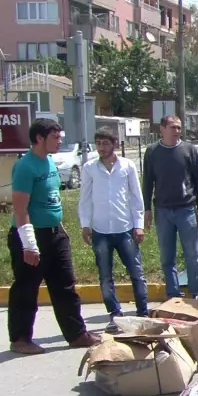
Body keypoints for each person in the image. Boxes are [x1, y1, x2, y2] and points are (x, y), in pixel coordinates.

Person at [7, 118, 100, 354]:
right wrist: (29, 244)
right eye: (55, 137)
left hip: (55, 234)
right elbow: (20, 208)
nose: (60, 142)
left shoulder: (49, 161)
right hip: (31, 236)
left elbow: (52, 199)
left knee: (65, 286)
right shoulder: (25, 166)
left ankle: (76, 333)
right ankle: (20, 339)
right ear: (39, 138)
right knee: (27, 289)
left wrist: (59, 226)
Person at [80, 126, 150, 333]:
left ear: (115, 145)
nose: (101, 148)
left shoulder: (127, 166)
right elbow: (84, 199)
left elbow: (137, 197)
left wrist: (138, 226)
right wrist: (85, 224)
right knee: (105, 275)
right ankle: (115, 315)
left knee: (136, 273)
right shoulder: (89, 168)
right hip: (101, 231)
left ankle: (143, 313)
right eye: (98, 144)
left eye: (105, 143)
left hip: (125, 228)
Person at [142, 114, 198, 299]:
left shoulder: (189, 149)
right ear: (162, 129)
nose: (177, 131)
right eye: (173, 127)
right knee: (167, 257)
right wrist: (147, 209)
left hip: (186, 208)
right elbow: (147, 182)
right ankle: (173, 293)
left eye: (179, 127)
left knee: (193, 254)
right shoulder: (153, 152)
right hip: (162, 210)